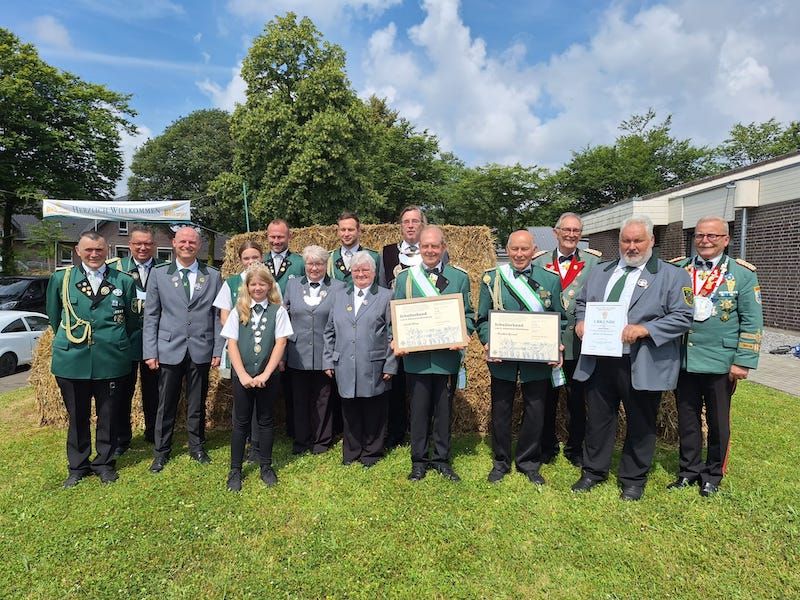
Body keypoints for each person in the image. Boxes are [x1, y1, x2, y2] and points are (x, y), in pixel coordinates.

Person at [572, 214, 693, 501]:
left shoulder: (673, 275)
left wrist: (646, 329)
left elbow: (683, 316)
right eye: (626, 240)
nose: (632, 246)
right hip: (601, 358)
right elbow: (581, 303)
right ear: (619, 242)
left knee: (641, 421)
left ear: (651, 241)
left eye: (638, 240)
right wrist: (580, 322)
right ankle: (593, 471)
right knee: (599, 419)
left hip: (641, 359)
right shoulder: (601, 272)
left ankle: (633, 478)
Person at [668, 216, 763, 497]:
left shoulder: (742, 274)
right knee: (687, 418)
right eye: (699, 236)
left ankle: (713, 475)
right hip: (685, 359)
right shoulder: (679, 270)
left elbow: (752, 321)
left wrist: (743, 361)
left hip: (721, 362)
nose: (705, 241)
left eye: (712, 236)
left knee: (719, 422)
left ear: (726, 239)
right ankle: (688, 470)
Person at [46, 232, 137, 487]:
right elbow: (55, 317)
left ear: (106, 250)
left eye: (99, 249)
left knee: (108, 415)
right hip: (72, 360)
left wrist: (112, 341)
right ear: (78, 250)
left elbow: (131, 322)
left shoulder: (123, 281)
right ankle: (78, 466)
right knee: (77, 416)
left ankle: (105, 463)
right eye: (89, 250)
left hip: (111, 359)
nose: (94, 254)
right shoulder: (61, 279)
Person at [476, 230, 564, 485]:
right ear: (507, 249)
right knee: (501, 409)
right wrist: (488, 340)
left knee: (535, 410)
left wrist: (555, 344)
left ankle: (528, 462)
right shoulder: (492, 279)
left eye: (524, 249)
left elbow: (561, 319)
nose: (519, 254)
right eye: (514, 249)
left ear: (534, 249)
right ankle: (501, 462)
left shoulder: (549, 280)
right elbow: (483, 318)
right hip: (502, 357)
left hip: (536, 359)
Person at [393, 225, 474, 482]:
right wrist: (396, 338)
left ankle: (441, 459)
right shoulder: (405, 279)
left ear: (443, 248)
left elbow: (469, 315)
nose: (429, 250)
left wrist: (464, 334)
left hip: (445, 358)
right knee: (418, 411)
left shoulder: (459, 278)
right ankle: (418, 461)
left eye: (434, 246)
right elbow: (395, 316)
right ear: (419, 248)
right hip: (416, 359)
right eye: (425, 246)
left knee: (443, 412)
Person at [143, 226, 223, 473]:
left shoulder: (212, 275)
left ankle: (197, 446)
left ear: (198, 246)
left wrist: (217, 349)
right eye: (183, 241)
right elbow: (151, 315)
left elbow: (218, 316)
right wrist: (150, 351)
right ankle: (161, 451)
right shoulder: (158, 274)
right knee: (166, 403)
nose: (187, 245)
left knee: (197, 402)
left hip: (201, 347)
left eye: (192, 242)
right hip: (169, 348)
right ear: (174, 243)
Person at [532, 213, 602, 466]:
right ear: (556, 232)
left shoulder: (595, 263)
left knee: (577, 400)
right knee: (545, 398)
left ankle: (575, 448)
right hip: (546, 343)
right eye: (566, 230)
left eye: (576, 230)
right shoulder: (538, 262)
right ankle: (546, 446)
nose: (571, 235)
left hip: (579, 344)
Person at [221, 264, 292, 491]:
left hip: (267, 376)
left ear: (269, 286)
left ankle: (266, 466)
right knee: (240, 422)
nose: (258, 288)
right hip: (242, 376)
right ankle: (235, 470)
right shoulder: (238, 310)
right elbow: (231, 343)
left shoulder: (277, 311)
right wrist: (241, 374)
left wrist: (266, 374)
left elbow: (281, 342)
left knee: (265, 420)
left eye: (262, 283)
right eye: (253, 284)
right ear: (247, 286)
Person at [324, 252, 396, 467]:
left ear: (374, 273)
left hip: (373, 364)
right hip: (344, 363)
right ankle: (352, 451)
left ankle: (371, 452)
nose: (361, 273)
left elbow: (393, 333)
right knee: (350, 409)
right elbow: (329, 330)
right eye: (357, 270)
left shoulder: (385, 296)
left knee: (374, 409)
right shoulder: (339, 296)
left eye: (366, 269)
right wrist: (328, 360)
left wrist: (391, 364)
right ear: (351, 272)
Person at [106, 224, 164, 453]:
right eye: (138, 243)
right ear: (130, 245)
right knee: (122, 392)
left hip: (155, 341)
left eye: (147, 243)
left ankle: (153, 433)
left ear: (154, 246)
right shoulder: (116, 269)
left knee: (155, 392)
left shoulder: (165, 269)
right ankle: (122, 439)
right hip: (126, 342)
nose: (143, 247)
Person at [284, 245, 346, 454]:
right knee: (299, 400)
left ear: (325, 265)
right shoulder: (292, 285)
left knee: (324, 399)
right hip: (297, 353)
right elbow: (284, 317)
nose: (314, 268)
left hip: (324, 352)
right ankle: (301, 441)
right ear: (305, 264)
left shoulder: (338, 287)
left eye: (319, 263)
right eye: (310, 263)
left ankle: (322, 441)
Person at [379, 205, 426, 449]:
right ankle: (396, 432)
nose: (410, 225)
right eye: (406, 221)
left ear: (422, 225)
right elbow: (380, 291)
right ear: (401, 225)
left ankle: (421, 432)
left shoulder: (432, 252)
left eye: (415, 221)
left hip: (425, 327)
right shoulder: (387, 253)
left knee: (420, 383)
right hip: (395, 328)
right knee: (395, 383)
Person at [213, 240, 264, 461]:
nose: (251, 261)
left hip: (261, 351)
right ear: (240, 260)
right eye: (247, 258)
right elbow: (224, 316)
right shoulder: (231, 283)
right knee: (241, 399)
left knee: (259, 399)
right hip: (238, 349)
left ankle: (257, 446)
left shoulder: (267, 282)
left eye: (255, 257)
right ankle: (241, 442)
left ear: (262, 257)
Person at [327, 211, 380, 283]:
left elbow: (381, 288)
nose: (346, 234)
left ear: (359, 231)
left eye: (350, 230)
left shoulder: (374, 257)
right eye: (343, 230)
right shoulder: (329, 258)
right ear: (338, 232)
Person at [265, 219, 305, 296]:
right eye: (273, 237)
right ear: (267, 236)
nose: (276, 241)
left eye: (280, 237)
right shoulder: (260, 262)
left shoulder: (301, 262)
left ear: (289, 237)